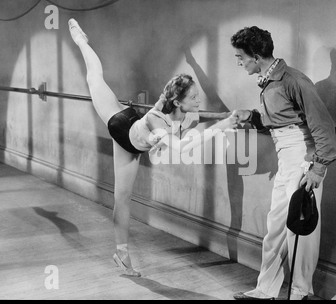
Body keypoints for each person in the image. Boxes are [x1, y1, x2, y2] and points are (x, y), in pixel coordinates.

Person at [68, 19, 238, 277]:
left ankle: (121, 257)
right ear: (178, 102)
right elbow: (181, 148)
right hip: (119, 124)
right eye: (193, 97)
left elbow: (197, 115)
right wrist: (224, 123)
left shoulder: (178, 109)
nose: (198, 99)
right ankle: (81, 41)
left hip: (131, 129)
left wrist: (221, 115)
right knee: (94, 77)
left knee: (121, 198)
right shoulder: (161, 125)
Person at [230, 26, 336, 300]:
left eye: (240, 57)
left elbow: (323, 125)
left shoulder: (293, 79)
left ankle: (300, 292)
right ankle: (265, 290)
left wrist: (318, 167)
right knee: (276, 226)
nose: (239, 62)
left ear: (256, 56)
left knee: (300, 229)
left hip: (302, 158)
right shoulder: (271, 81)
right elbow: (282, 121)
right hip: (287, 156)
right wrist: (252, 117)